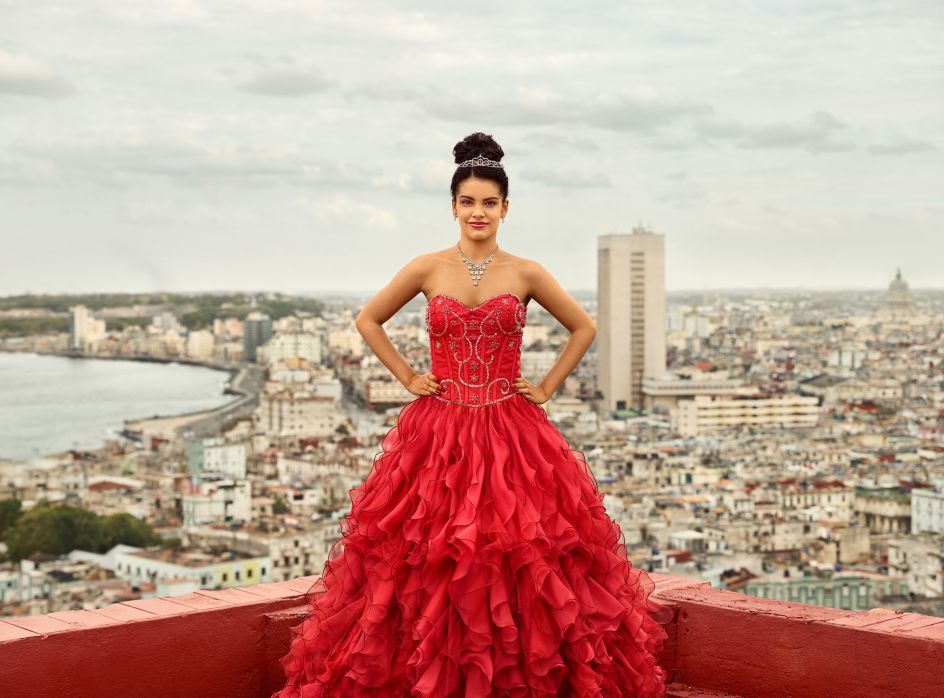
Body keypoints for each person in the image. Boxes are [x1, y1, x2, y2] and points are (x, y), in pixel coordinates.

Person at [271, 131, 671, 697]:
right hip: (440, 432)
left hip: (513, 433)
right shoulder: (427, 267)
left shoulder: (526, 272)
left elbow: (584, 327)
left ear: (506, 209)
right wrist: (408, 378)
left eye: (489, 202)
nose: (478, 212)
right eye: (468, 202)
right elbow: (368, 320)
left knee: (521, 556)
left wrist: (548, 385)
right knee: (429, 559)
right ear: (453, 206)